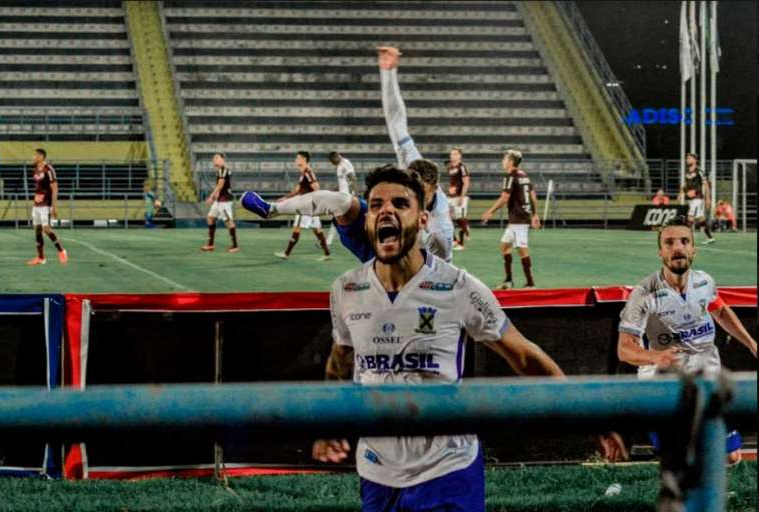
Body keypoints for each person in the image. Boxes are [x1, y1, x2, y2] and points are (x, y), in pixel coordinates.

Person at [312, 166, 626, 510]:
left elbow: (525, 357)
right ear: (368, 222)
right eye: (375, 205)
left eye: (400, 203)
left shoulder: (459, 287)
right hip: (376, 469)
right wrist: (329, 423)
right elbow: (340, 359)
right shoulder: (346, 290)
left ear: (423, 219)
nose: (386, 210)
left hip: (448, 468)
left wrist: (589, 414)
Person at [240, 47, 453, 263]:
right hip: (375, 233)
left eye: (420, 193)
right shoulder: (412, 165)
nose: (411, 195)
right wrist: (388, 73)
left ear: (435, 189)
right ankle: (270, 209)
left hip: (398, 260)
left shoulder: (439, 229)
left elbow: (440, 271)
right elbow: (397, 123)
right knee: (340, 201)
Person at [617, 216, 757, 464]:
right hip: (665, 379)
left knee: (732, 456)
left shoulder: (705, 281)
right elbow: (625, 349)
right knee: (681, 456)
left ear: (694, 250)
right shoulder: (643, 294)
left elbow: (720, 310)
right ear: (660, 252)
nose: (677, 248)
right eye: (669, 243)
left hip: (707, 373)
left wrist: (751, 343)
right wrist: (656, 357)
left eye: (684, 241)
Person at [480, 150, 540, 289]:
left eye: (505, 158)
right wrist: (535, 214)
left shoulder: (511, 176)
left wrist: (490, 211)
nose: (502, 161)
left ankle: (530, 283)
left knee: (522, 250)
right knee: (505, 246)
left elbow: (504, 198)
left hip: (519, 219)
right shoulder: (524, 175)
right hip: (520, 217)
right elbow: (532, 194)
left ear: (511, 162)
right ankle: (508, 280)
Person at [275, 150, 332, 261]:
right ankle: (327, 254)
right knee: (317, 230)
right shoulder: (304, 173)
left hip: (306, 205)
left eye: (298, 158)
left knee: (297, 228)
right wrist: (286, 198)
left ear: (304, 159)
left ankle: (286, 254)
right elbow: (297, 190)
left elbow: (316, 187)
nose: (296, 160)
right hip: (311, 205)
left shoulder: (308, 172)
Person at [27, 148, 68, 265]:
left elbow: (54, 188)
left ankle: (62, 251)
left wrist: (54, 206)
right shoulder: (35, 170)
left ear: (41, 156)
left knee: (46, 228)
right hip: (36, 204)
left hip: (46, 204)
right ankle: (41, 257)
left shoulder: (49, 169)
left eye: (35, 155)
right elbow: (39, 187)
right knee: (37, 230)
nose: (33, 157)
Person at [201, 153, 238, 253]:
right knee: (211, 217)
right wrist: (216, 197)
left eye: (217, 158)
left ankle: (235, 245)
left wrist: (211, 197)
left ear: (223, 159)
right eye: (214, 158)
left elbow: (220, 186)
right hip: (220, 199)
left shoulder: (223, 170)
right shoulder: (220, 171)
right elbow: (221, 186)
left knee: (228, 221)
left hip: (225, 200)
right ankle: (211, 244)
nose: (214, 160)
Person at [678, 153, 715, 244]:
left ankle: (686, 238)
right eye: (687, 158)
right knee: (700, 218)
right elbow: (685, 184)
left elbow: (706, 185)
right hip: (690, 199)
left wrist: (708, 199)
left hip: (698, 198)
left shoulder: (699, 171)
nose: (687, 160)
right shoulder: (687, 172)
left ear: (695, 160)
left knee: (690, 216)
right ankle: (710, 237)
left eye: (689, 158)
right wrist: (681, 192)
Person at [326, 151, 358, 246]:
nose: (333, 164)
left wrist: (356, 193)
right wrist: (336, 188)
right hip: (343, 194)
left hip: (348, 195)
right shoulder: (340, 165)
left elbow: (352, 178)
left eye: (332, 162)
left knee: (339, 216)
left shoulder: (345, 163)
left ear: (335, 157)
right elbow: (344, 181)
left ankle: (328, 241)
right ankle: (329, 241)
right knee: (340, 216)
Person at [447, 147, 471, 250]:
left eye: (455, 154)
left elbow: (466, 182)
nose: (453, 156)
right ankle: (455, 241)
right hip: (451, 196)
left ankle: (462, 243)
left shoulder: (462, 167)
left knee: (460, 218)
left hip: (460, 197)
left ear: (460, 156)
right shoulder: (450, 167)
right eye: (452, 154)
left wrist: (462, 196)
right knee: (447, 218)